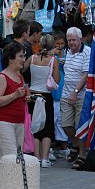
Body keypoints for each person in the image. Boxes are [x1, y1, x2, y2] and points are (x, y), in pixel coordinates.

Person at [0, 41, 30, 189]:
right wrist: (14, 95)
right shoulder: (2, 77)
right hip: (2, 122)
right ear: (11, 58)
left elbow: (22, 96)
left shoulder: (19, 75)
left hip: (18, 121)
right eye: (20, 56)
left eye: (23, 56)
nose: (23, 59)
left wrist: (28, 96)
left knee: (6, 158)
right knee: (11, 158)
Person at [60, 25, 92, 169]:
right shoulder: (67, 51)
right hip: (66, 93)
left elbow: (86, 74)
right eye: (69, 40)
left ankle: (82, 154)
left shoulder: (87, 51)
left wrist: (76, 91)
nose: (71, 43)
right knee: (66, 124)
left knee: (80, 125)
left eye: (74, 40)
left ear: (80, 39)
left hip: (81, 93)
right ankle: (76, 145)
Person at [28, 34, 60, 167]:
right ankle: (45, 159)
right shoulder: (53, 60)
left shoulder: (32, 58)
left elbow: (23, 69)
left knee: (35, 128)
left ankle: (36, 158)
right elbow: (57, 79)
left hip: (33, 95)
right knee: (47, 128)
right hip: (46, 96)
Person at [51, 31, 69, 160]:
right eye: (57, 43)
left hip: (64, 89)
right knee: (52, 120)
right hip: (53, 91)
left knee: (62, 121)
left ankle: (64, 147)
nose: (60, 46)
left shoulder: (68, 54)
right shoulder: (50, 55)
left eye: (62, 43)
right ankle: (50, 147)